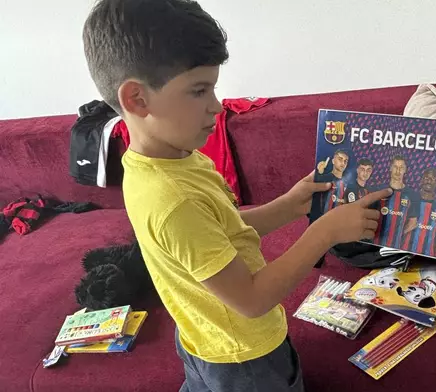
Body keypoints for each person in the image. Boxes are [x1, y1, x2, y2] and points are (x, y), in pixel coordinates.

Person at [82, 2, 392, 391]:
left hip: (203, 338)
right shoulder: (173, 199)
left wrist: (290, 204)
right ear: (137, 100)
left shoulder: (173, 160)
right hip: (244, 358)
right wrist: (323, 234)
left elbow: (224, 229)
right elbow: (251, 299)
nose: (217, 105)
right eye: (199, 90)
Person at [373, 155, 419, 249]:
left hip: (396, 246)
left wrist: (398, 233)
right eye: (395, 167)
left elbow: (413, 223)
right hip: (374, 244)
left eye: (401, 168)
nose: (398, 171)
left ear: (405, 170)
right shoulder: (379, 190)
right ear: (390, 168)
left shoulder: (412, 195)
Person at [402, 169, 436, 256]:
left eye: (433, 179)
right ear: (421, 180)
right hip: (404, 251)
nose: (429, 181)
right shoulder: (410, 199)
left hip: (428, 255)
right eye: (426, 178)